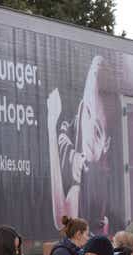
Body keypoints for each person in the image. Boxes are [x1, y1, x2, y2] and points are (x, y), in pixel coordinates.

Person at [47, 56, 113, 234]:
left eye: (98, 131)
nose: (89, 134)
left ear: (106, 143)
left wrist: (51, 126)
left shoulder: (92, 184)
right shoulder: (79, 167)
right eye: (87, 113)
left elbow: (61, 221)